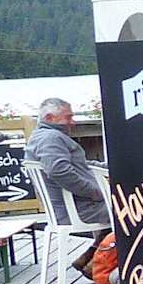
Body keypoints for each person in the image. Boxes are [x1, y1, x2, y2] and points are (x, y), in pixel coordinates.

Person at [26, 96, 110, 229]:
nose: (73, 122)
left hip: (77, 208)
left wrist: (114, 166)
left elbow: (82, 165)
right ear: (49, 118)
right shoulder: (50, 138)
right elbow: (59, 171)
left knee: (129, 203)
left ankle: (104, 241)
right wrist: (96, 193)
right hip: (80, 211)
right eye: (68, 117)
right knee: (137, 206)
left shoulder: (42, 137)